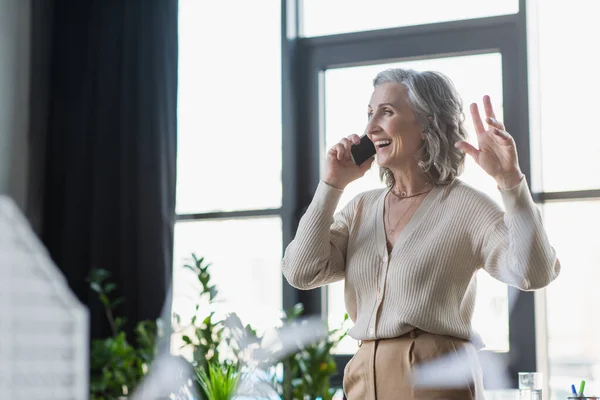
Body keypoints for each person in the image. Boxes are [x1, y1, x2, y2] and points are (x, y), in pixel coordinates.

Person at [281, 68, 560, 399]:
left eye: (387, 112)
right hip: (362, 381)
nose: (370, 128)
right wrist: (331, 186)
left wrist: (511, 183)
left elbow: (535, 273)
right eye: (370, 114)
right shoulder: (360, 209)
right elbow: (301, 272)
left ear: (428, 123)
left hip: (435, 380)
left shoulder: (466, 206)